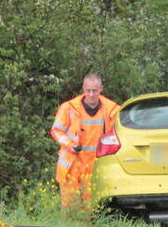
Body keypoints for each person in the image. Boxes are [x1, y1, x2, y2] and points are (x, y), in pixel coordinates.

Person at [50, 73, 120, 211]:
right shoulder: (68, 108)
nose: (91, 94)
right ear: (83, 88)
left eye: (95, 90)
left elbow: (121, 130)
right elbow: (56, 131)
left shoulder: (111, 109)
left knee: (91, 209)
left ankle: (89, 225)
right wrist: (70, 145)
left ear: (101, 89)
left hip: (95, 165)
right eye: (88, 90)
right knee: (70, 208)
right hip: (72, 164)